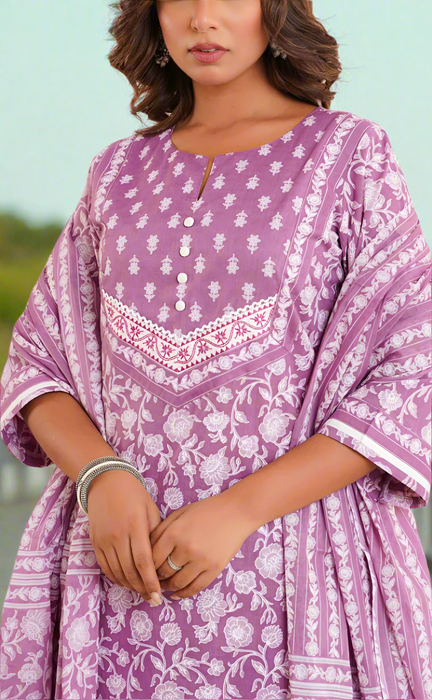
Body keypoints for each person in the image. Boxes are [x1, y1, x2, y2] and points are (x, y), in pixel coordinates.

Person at [1, 0, 431, 697]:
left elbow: (412, 366)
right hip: (114, 581)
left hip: (294, 578)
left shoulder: (350, 156)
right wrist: (100, 476)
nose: (203, 18)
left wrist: (240, 511)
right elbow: (37, 362)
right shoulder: (116, 173)